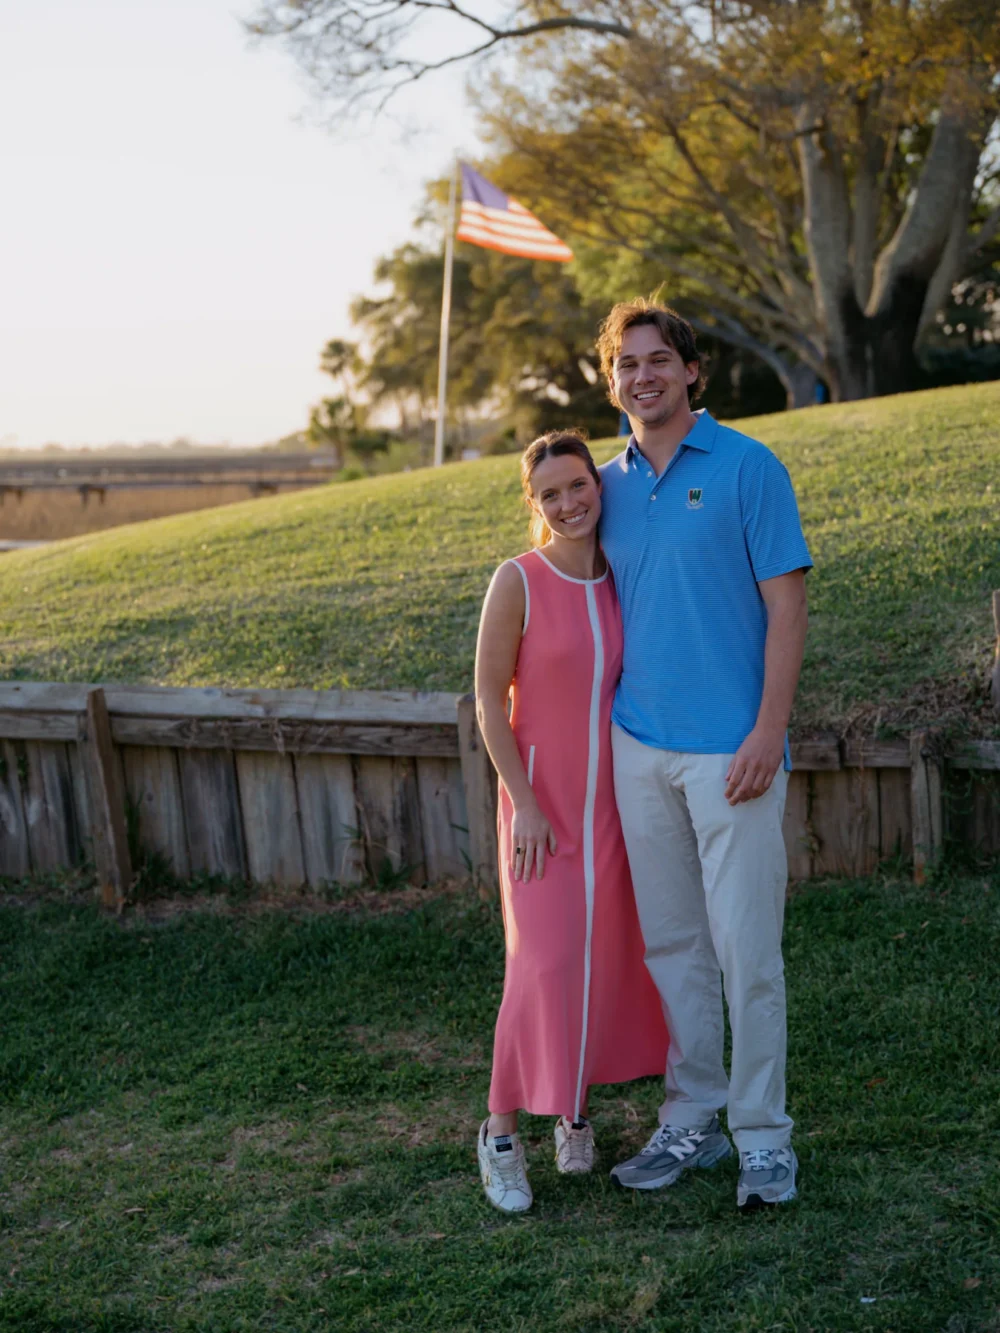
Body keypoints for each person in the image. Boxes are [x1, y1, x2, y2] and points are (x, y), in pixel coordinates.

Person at [596, 299, 812, 1211]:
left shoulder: (749, 467)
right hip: (638, 747)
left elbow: (788, 605)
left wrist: (768, 729)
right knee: (675, 945)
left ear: (691, 371)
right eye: (625, 364)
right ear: (612, 382)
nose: (642, 376)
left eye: (658, 360)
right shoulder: (603, 487)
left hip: (733, 750)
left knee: (747, 949)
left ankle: (763, 1137)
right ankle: (693, 1115)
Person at [473, 430, 668, 1214]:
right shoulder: (517, 580)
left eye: (577, 485)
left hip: (614, 803)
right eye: (549, 493)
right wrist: (523, 803)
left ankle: (575, 1113)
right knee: (543, 964)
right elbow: (489, 699)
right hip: (540, 808)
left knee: (604, 957)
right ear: (535, 504)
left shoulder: (623, 579)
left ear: (599, 484)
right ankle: (498, 1132)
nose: (567, 502)